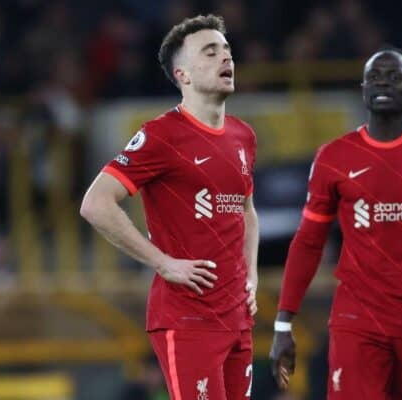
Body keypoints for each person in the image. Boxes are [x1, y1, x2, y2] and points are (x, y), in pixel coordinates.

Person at [269, 47, 402, 399]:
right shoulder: (334, 157)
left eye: (394, 77)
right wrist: (282, 323)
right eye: (374, 77)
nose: (383, 83)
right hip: (358, 320)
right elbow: (308, 242)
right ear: (363, 89)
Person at [80, 14, 258, 400]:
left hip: (237, 317)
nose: (225, 58)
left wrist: (252, 277)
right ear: (183, 75)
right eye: (210, 52)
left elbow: (247, 212)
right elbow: (95, 203)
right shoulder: (161, 135)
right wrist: (163, 263)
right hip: (187, 317)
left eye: (226, 50)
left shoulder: (243, 136)